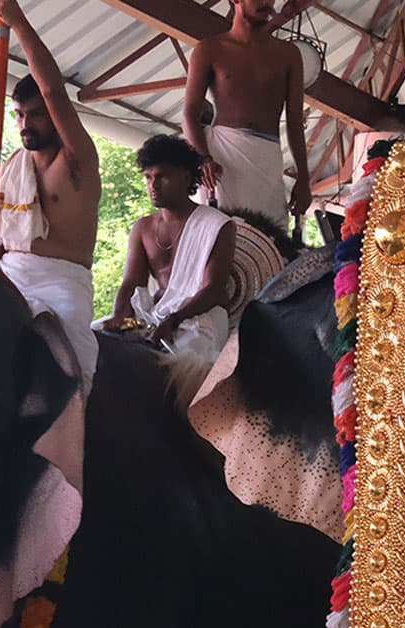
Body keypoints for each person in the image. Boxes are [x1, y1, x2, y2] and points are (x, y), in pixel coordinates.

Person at [0, 0, 101, 381]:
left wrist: (17, 22)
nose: (25, 123)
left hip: (62, 284)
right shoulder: (10, 168)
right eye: (19, 114)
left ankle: (74, 433)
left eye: (35, 113)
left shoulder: (77, 160)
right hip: (9, 275)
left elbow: (54, 89)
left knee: (70, 367)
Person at [99, 134, 240, 401]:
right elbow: (131, 282)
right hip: (154, 315)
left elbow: (212, 288)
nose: (153, 185)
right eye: (148, 177)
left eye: (162, 176)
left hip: (200, 319)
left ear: (187, 177)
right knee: (94, 343)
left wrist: (174, 320)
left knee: (183, 375)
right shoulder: (143, 228)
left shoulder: (217, 224)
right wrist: (120, 317)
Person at [182, 0, 314, 230]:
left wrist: (304, 177)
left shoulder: (288, 54)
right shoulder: (210, 49)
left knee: (271, 237)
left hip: (267, 156)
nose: (267, 3)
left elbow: (294, 122)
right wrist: (203, 159)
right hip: (222, 157)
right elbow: (189, 115)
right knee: (221, 233)